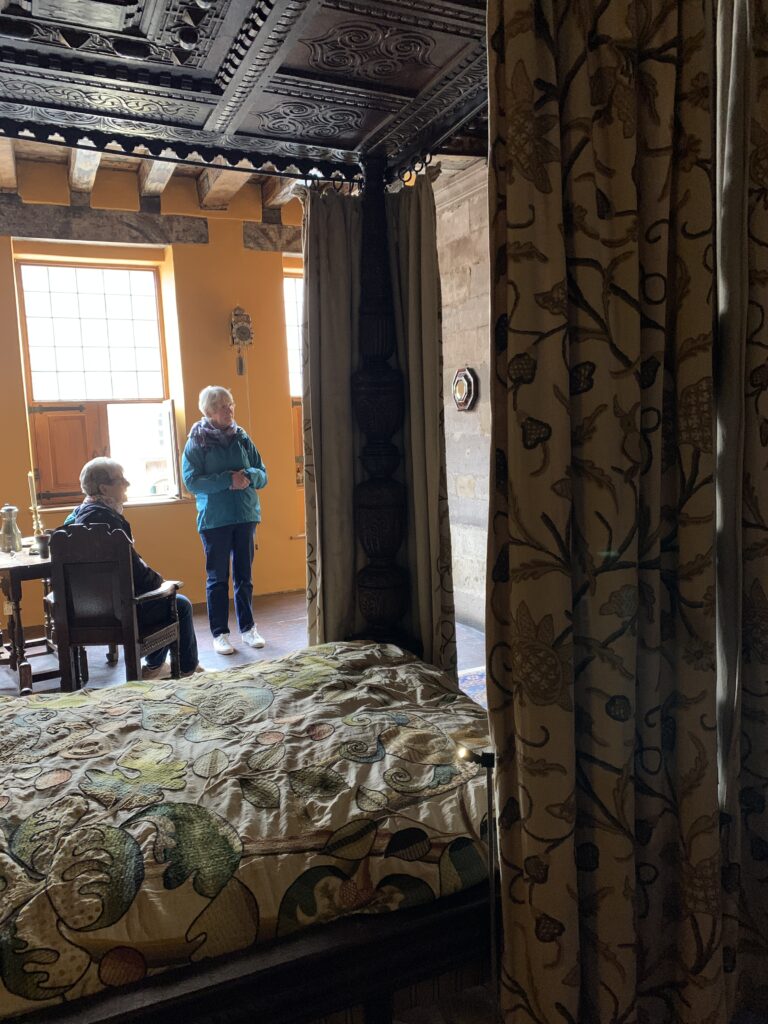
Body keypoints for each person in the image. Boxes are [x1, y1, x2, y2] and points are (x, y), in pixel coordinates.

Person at [65, 457, 201, 679]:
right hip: (120, 612)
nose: (127, 483)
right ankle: (187, 670)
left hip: (89, 610)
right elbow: (135, 571)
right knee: (179, 603)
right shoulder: (108, 523)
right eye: (121, 479)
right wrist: (162, 583)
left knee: (166, 600)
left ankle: (155, 667)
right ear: (104, 488)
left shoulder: (78, 517)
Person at [182, 385, 268, 655]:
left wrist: (248, 475)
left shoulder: (242, 437)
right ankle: (220, 634)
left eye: (230, 404)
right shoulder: (197, 441)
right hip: (214, 519)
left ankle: (248, 629)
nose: (229, 410)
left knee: (244, 576)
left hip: (245, 515)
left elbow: (263, 473)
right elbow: (191, 482)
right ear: (209, 411)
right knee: (217, 578)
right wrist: (227, 480)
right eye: (222, 406)